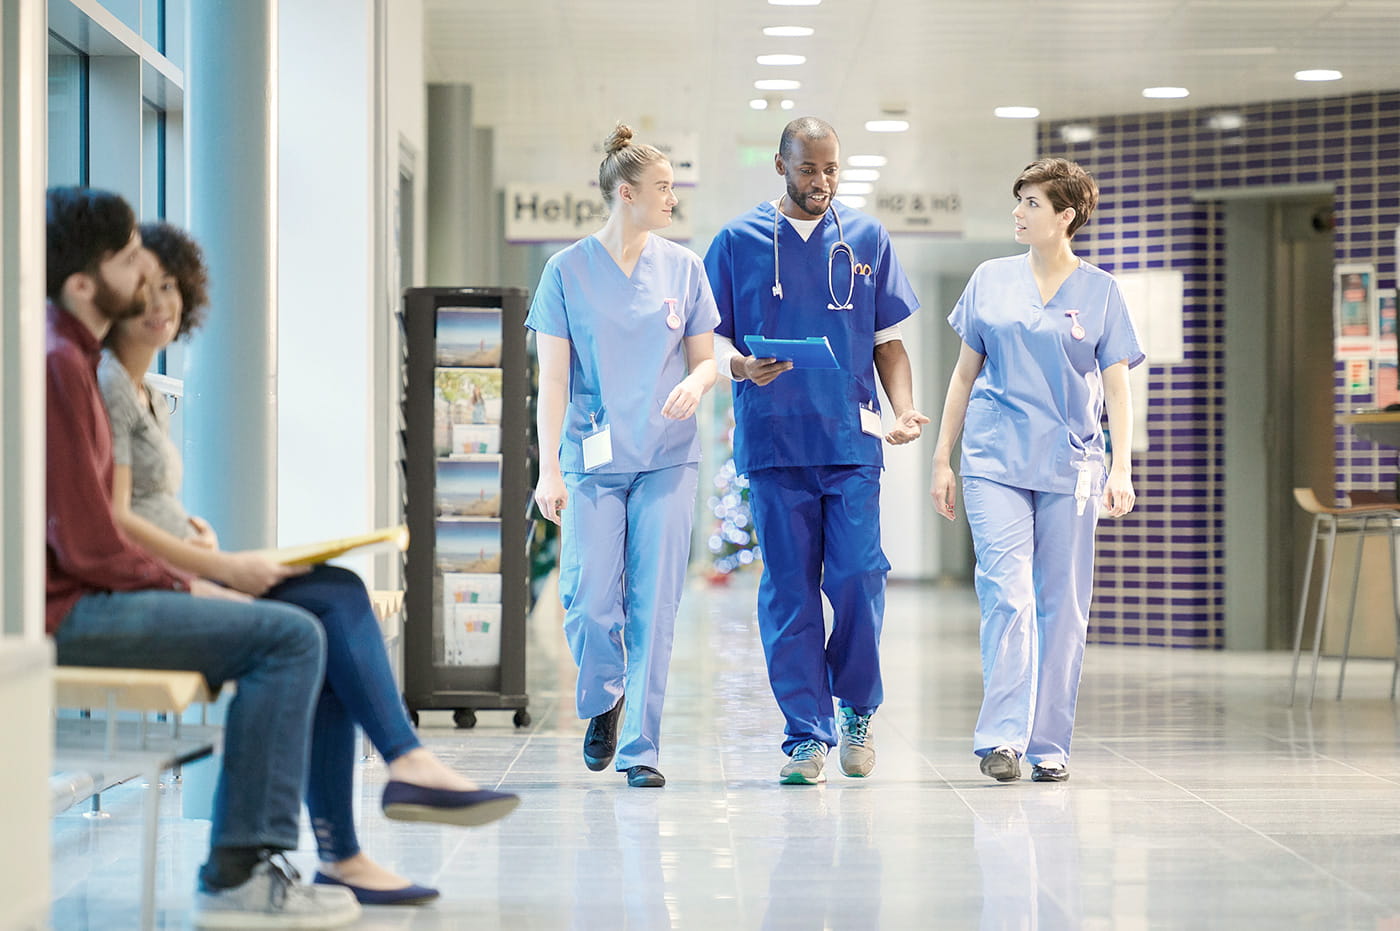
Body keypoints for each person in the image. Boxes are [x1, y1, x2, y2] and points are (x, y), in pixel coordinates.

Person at [97, 220, 520, 906]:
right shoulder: (112, 383)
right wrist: (218, 569)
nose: (161, 304)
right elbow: (111, 520)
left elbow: (138, 503)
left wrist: (193, 527)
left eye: (171, 288)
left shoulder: (144, 389)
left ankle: (357, 838)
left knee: (338, 593)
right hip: (169, 589)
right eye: (143, 290)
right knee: (325, 611)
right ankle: (389, 786)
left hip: (187, 571)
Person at [44, 186, 358, 928]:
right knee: (289, 638)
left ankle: (258, 860)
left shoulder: (74, 358)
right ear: (85, 284)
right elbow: (88, 541)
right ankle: (240, 873)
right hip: (72, 614)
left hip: (89, 597)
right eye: (128, 260)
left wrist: (189, 576)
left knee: (311, 616)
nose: (145, 273)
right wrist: (191, 584)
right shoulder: (64, 364)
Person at [703, 117, 927, 785]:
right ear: (780, 166)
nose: (823, 182)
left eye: (832, 169)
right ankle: (806, 733)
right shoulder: (737, 241)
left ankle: (857, 705)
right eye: (809, 170)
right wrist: (740, 367)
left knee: (858, 574)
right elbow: (707, 341)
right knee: (790, 593)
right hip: (774, 441)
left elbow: (888, 340)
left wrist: (904, 406)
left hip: (851, 437)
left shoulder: (865, 238)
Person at [929, 157, 1143, 784]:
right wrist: (942, 457)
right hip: (993, 459)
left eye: (1032, 204)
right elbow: (963, 375)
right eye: (1018, 199)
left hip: (1071, 464)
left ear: (1065, 217)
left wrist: (1121, 467)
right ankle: (1001, 739)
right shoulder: (990, 280)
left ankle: (1049, 742)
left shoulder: (1100, 292)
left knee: (1063, 605)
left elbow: (1118, 390)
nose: (1019, 212)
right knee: (1008, 596)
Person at [529, 123, 719, 788]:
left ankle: (641, 747)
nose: (673, 198)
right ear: (627, 193)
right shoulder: (566, 271)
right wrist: (549, 466)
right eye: (664, 187)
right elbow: (552, 379)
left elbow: (705, 360)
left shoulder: (684, 269)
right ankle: (604, 694)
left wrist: (696, 384)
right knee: (585, 600)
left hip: (668, 457)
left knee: (654, 603)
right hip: (592, 456)